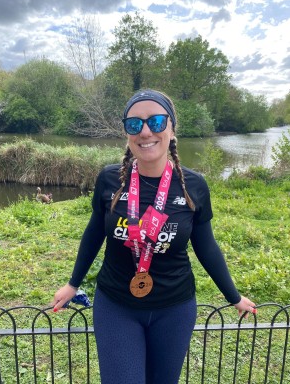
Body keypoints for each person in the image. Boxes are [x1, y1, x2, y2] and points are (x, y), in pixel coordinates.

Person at [53, 89, 256, 384]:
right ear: (126, 133)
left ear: (171, 129)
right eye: (134, 124)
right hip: (116, 306)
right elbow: (95, 232)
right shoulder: (110, 180)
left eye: (157, 121)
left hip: (174, 307)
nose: (146, 131)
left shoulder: (193, 186)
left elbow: (206, 245)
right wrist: (73, 283)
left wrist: (233, 296)